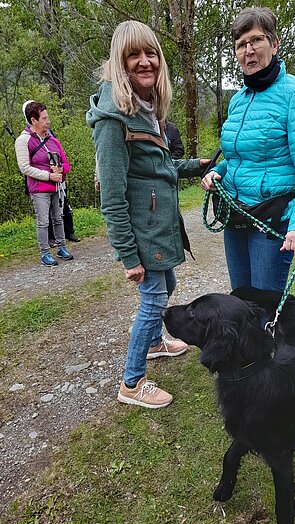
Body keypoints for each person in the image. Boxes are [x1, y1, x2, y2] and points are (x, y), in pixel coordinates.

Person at [86, 20, 210, 409]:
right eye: (133, 55)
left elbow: (160, 170)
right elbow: (112, 194)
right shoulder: (113, 119)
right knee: (154, 300)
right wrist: (128, 255)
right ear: (118, 62)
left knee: (167, 286)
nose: (144, 62)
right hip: (143, 234)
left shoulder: (146, 108)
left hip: (159, 228)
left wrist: (199, 164)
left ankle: (156, 342)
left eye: (150, 53)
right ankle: (131, 382)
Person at [201, 7, 295, 292]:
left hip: (271, 221)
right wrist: (217, 172)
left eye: (256, 40)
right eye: (241, 45)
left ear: (274, 43)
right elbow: (236, 158)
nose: (249, 50)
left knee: (264, 311)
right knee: (240, 301)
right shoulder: (238, 100)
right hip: (236, 217)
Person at [15, 101, 74, 266]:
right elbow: (24, 167)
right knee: (43, 221)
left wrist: (60, 170)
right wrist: (48, 176)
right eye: (44, 118)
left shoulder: (52, 140)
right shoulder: (23, 140)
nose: (48, 121)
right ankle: (45, 253)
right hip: (39, 188)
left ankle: (62, 247)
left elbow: (65, 162)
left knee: (59, 218)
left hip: (57, 186)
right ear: (34, 120)